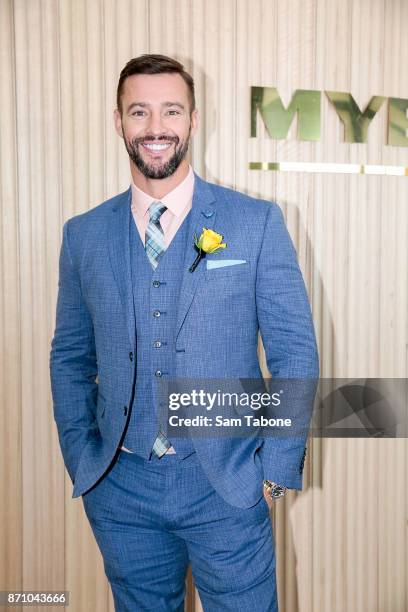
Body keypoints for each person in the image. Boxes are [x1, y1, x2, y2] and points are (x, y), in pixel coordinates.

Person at [49, 54, 319, 612]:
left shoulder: (255, 222)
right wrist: (83, 458)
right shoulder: (84, 235)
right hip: (120, 489)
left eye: (171, 111)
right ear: (118, 121)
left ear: (193, 120)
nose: (155, 127)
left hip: (227, 484)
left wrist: (273, 472)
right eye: (139, 112)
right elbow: (70, 357)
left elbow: (295, 353)